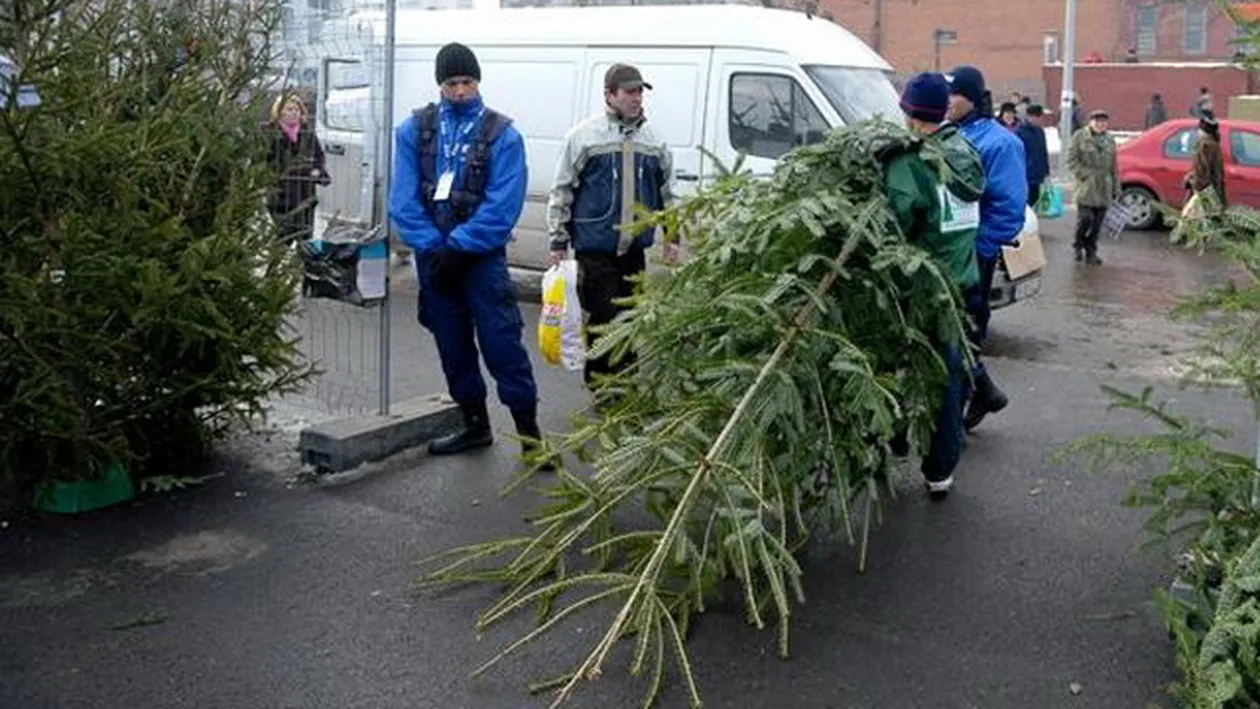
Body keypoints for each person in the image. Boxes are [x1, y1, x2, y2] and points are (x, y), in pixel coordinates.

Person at [387, 42, 547, 461]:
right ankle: (474, 424)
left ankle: (530, 437)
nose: (459, 90)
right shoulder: (414, 131)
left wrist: (460, 245)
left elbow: (504, 202)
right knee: (452, 345)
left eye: (466, 82)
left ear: (478, 81)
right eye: (451, 82)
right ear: (440, 84)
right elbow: (402, 199)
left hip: (481, 260)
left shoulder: (502, 135)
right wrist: (432, 246)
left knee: (502, 344)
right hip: (435, 259)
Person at [883, 72, 987, 497]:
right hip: (963, 281)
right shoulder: (964, 149)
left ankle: (894, 441)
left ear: (913, 115)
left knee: (896, 366)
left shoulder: (911, 162)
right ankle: (941, 467)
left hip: (921, 287)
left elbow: (895, 225)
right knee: (950, 376)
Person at [546, 64, 677, 390]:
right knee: (605, 318)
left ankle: (626, 384)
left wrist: (672, 235)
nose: (636, 98)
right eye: (629, 91)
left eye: (639, 91)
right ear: (610, 95)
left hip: (634, 250)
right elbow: (562, 188)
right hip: (595, 248)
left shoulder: (654, 140)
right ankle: (604, 387)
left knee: (630, 319)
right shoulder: (584, 137)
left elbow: (668, 192)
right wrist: (557, 239)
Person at [946, 65, 1025, 432]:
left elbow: (1009, 210)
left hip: (974, 252)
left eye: (954, 95)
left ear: (972, 98)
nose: (947, 102)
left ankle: (955, 421)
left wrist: (978, 247)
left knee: (968, 328)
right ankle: (984, 392)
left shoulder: (1000, 143)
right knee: (950, 327)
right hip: (948, 251)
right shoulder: (948, 134)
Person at [267, 93, 330, 244]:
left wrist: (316, 171)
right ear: (279, 112)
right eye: (289, 109)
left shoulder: (307, 133)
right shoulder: (271, 133)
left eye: (297, 110)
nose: (294, 113)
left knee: (305, 238)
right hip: (282, 194)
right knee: (282, 239)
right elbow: (266, 160)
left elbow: (319, 156)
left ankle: (303, 266)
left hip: (305, 193)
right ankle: (274, 267)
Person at [1067, 109, 1120, 265]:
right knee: (1085, 219)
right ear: (1091, 122)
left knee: (1097, 224)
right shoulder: (1080, 137)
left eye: (1103, 122)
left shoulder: (1110, 140)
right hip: (1087, 187)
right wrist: (1084, 175)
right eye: (1097, 121)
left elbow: (1114, 166)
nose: (1100, 124)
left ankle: (1091, 251)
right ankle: (1078, 244)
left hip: (1104, 186)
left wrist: (1116, 187)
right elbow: (1071, 160)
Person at [1185, 115, 1226, 208]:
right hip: (1213, 191)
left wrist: (1193, 182)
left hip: (1204, 194)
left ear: (1204, 130)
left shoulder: (1205, 146)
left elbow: (1202, 171)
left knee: (1195, 219)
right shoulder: (1214, 144)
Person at [1017, 105, 1051, 208]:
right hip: (1026, 174)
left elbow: (1043, 151)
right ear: (1033, 117)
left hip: (1037, 173)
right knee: (1026, 200)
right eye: (1040, 117)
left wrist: (1046, 171)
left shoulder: (1039, 131)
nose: (1041, 120)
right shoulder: (1020, 132)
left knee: (1035, 197)